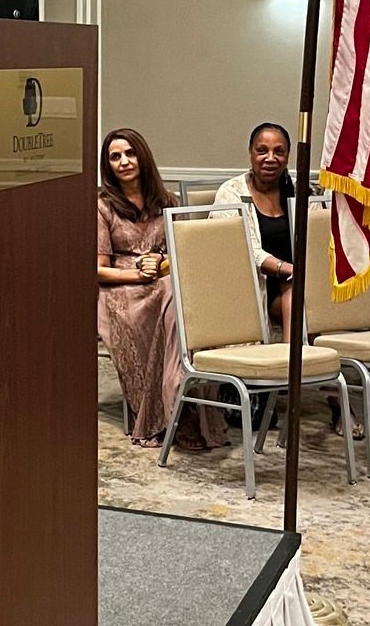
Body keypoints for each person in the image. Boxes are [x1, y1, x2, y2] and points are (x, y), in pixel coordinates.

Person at [97, 129, 224, 450]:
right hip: (121, 286)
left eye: (130, 153)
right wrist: (138, 275)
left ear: (142, 156)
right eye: (115, 157)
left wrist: (159, 259)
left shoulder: (168, 202)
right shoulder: (102, 206)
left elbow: (180, 253)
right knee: (172, 296)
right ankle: (175, 402)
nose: (124, 162)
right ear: (108, 166)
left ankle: (184, 394)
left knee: (177, 293)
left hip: (163, 280)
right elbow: (96, 269)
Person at [213, 124, 297, 337]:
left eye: (279, 151)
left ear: (288, 157)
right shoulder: (231, 192)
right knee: (295, 287)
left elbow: (317, 241)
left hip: (298, 282)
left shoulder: (299, 191)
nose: (270, 158)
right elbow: (243, 248)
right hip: (252, 289)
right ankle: (292, 363)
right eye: (262, 151)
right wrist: (286, 269)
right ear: (250, 154)